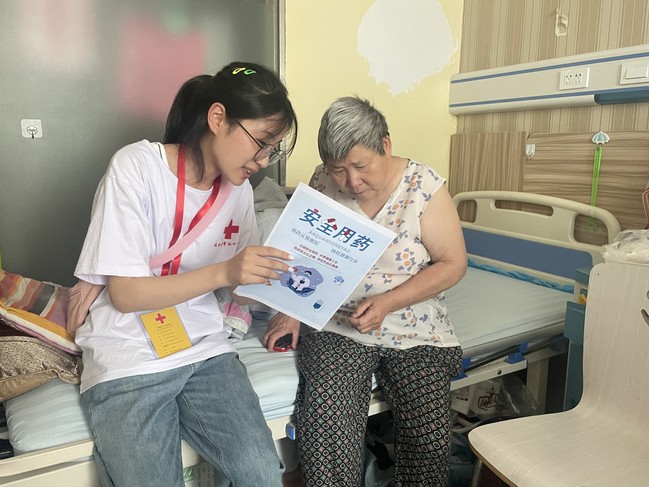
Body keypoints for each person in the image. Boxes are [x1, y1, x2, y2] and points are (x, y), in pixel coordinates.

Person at [73, 61, 297, 487]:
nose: (264, 161)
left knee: (262, 474)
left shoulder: (238, 191)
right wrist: (225, 271)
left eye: (274, 150)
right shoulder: (136, 166)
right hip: (129, 352)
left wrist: (278, 283)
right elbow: (125, 295)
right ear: (218, 118)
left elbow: (239, 290)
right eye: (261, 143)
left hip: (203, 349)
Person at [264, 96, 466, 486]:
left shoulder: (423, 187)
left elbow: (453, 264)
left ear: (385, 145)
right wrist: (291, 310)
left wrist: (388, 302)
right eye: (339, 170)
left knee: (429, 437)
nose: (351, 182)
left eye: (361, 166)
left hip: (412, 325)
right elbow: (305, 252)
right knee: (326, 427)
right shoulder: (322, 181)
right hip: (338, 323)